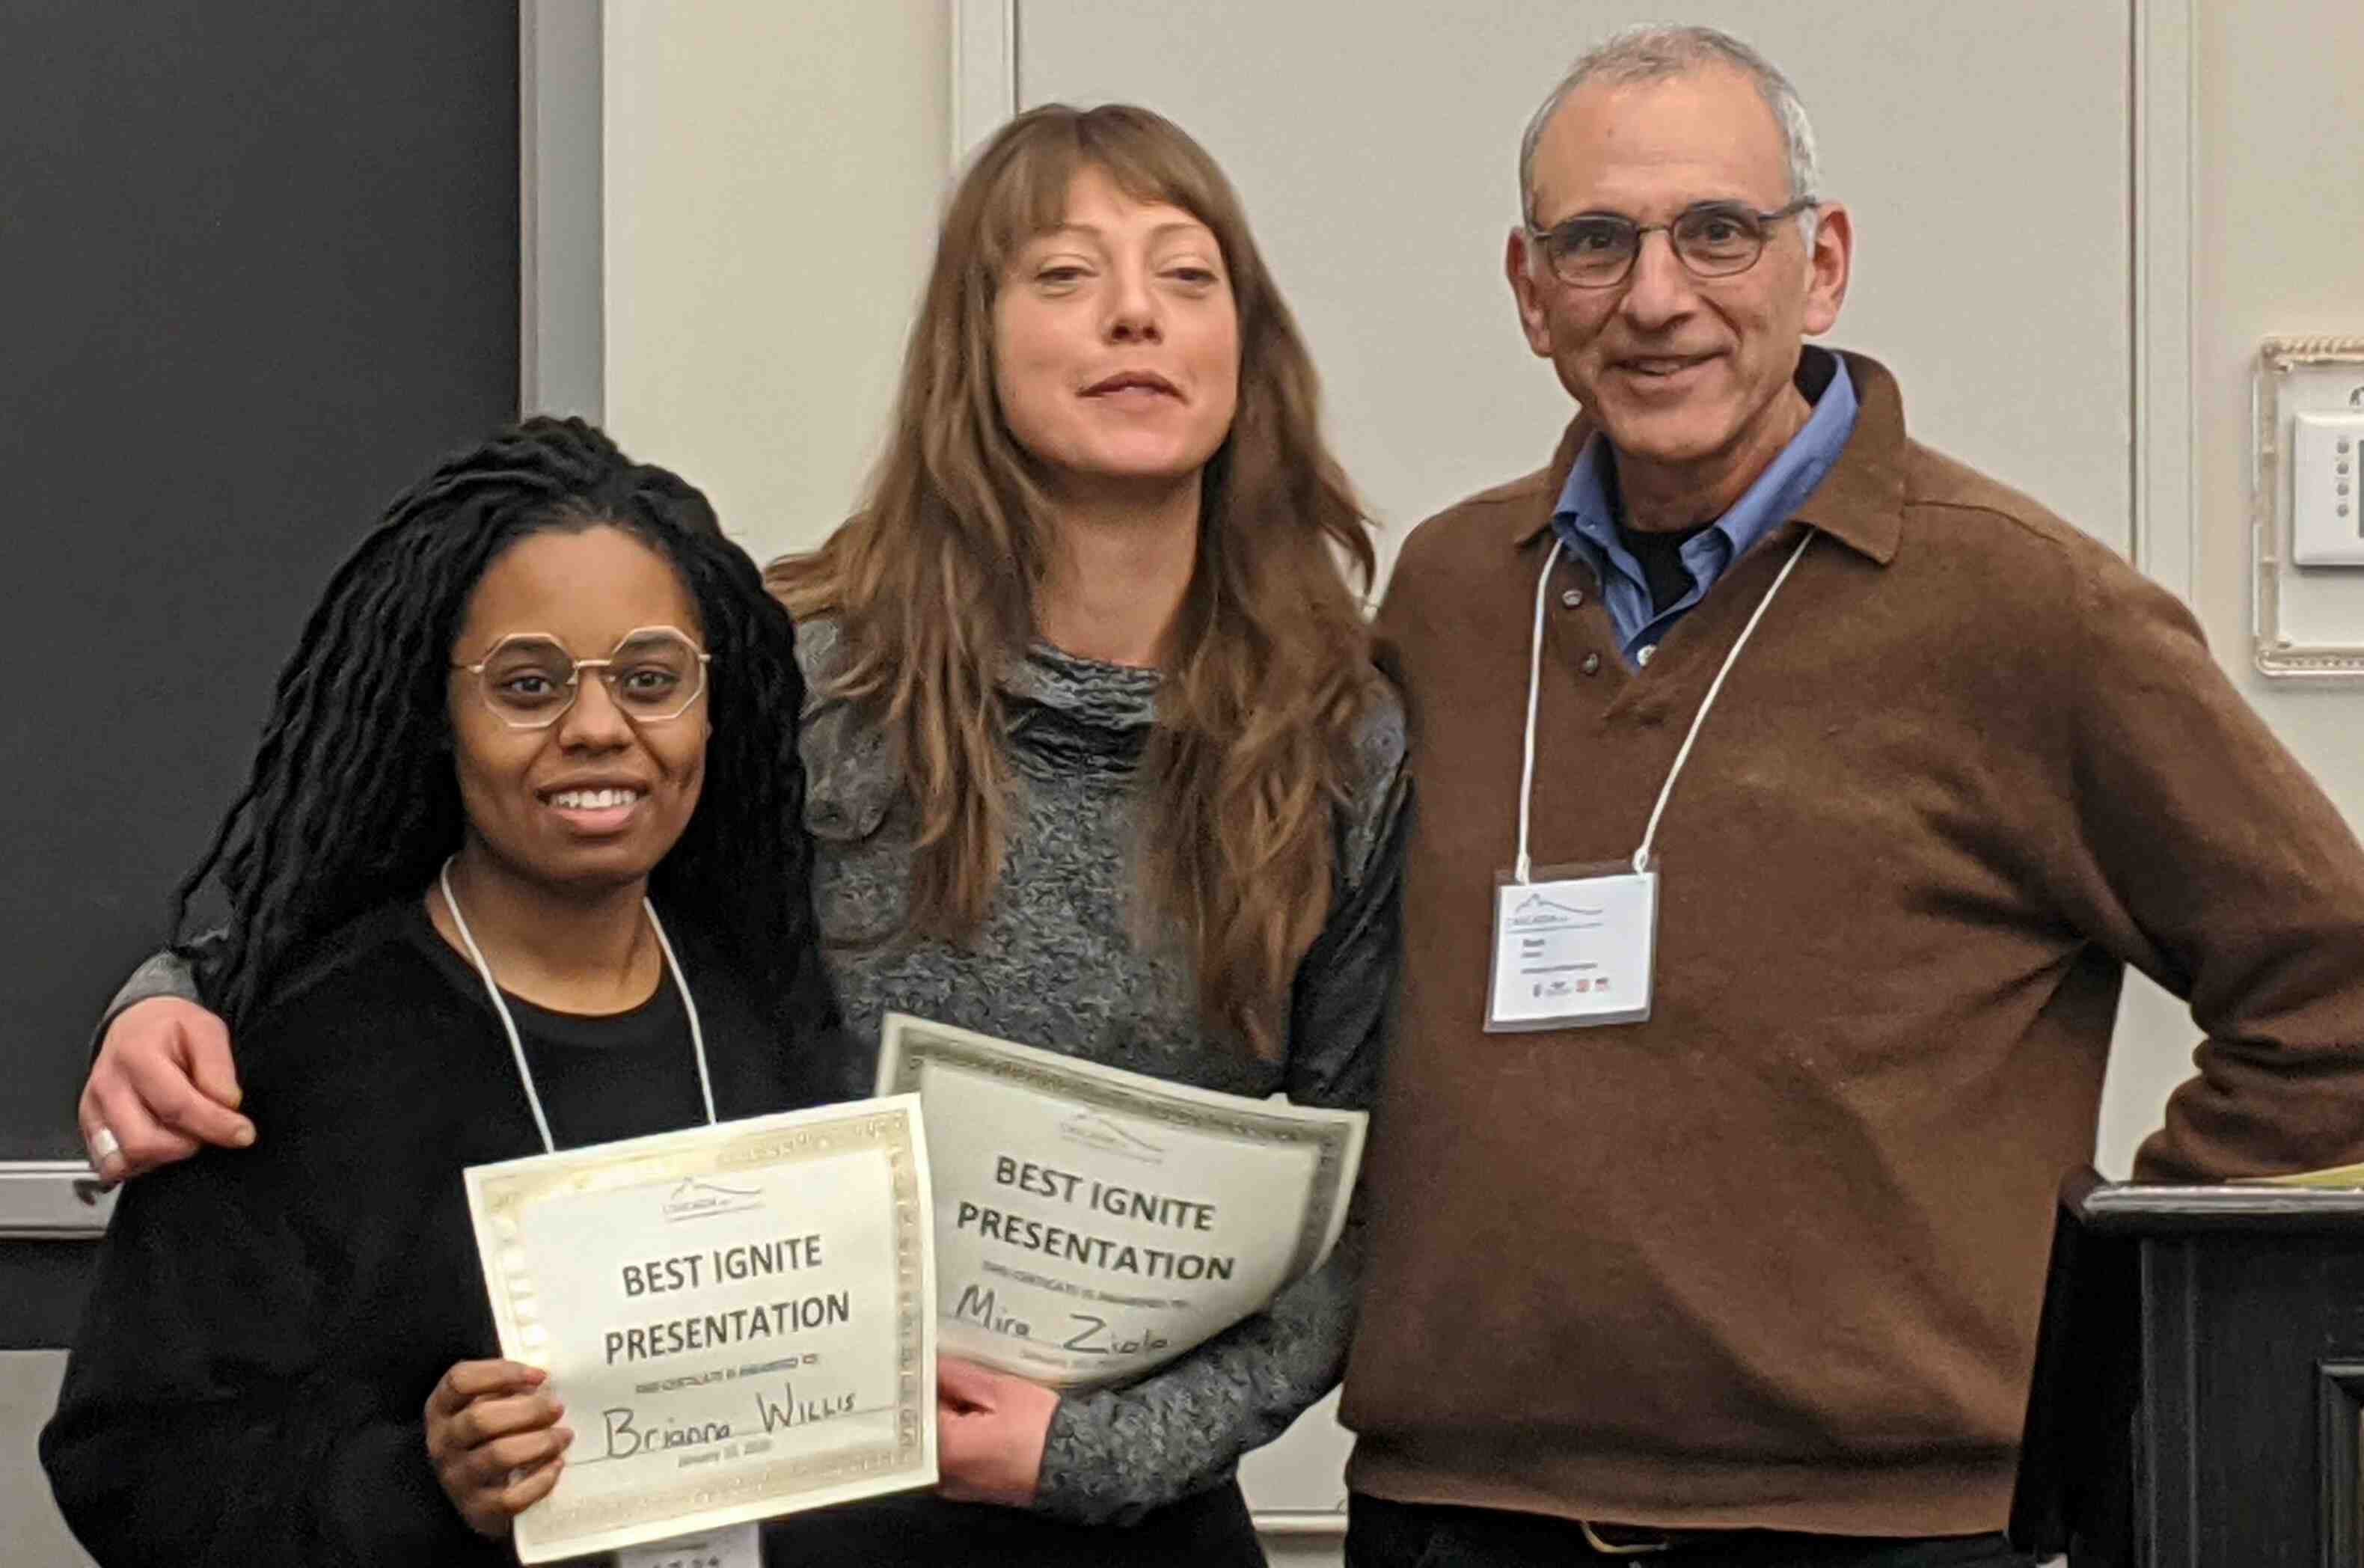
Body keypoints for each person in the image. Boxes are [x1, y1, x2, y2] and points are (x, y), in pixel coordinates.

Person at [71, 104, 1409, 1564]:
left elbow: (1382, 1183)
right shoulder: (801, 674)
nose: (1135, 313)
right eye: (1064, 274)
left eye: (1184, 274)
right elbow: (453, 862)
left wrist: (1092, 1451)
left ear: (1246, 347)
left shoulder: (1341, 742)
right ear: (971, 342)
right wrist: (179, 989)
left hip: (1139, 1517)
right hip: (803, 1497)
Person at [1338, 22, 2364, 1568]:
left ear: (1819, 266)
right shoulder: (1445, 595)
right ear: (1527, 289)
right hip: (1463, 1516)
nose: (1656, 294)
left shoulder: (2027, 611)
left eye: (1716, 233)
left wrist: (2093, 1294)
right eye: (1596, 241)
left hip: (1884, 1531)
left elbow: (2332, 982)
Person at [41, 418, 839, 1565]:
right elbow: (129, 1468)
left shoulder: (775, 1007)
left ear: (716, 704)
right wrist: (417, 1483)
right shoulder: (290, 1059)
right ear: (439, 713)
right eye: (528, 685)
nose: (601, 728)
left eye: (652, 680)